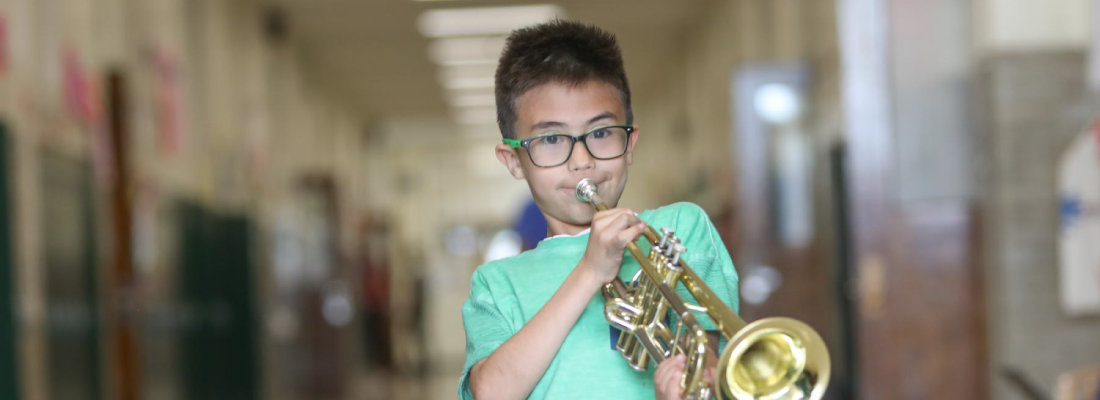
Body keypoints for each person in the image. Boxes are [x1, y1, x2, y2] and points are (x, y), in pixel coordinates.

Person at [459, 20, 740, 400]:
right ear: (513, 161)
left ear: (630, 143)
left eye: (602, 133)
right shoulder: (496, 283)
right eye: (552, 139)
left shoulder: (678, 227)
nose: (581, 160)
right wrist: (590, 271)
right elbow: (492, 393)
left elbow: (717, 355)